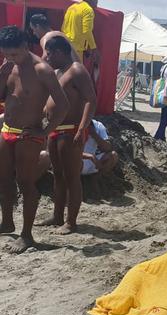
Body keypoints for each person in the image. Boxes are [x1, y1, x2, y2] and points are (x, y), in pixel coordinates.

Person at [0, 26, 69, 253]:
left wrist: (46, 130)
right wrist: (3, 72)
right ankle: (7, 222)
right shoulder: (9, 66)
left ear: (25, 46)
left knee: (25, 182)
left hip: (29, 134)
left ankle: (27, 235)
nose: (11, 58)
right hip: (7, 129)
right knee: (4, 180)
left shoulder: (42, 70)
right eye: (6, 54)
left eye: (14, 54)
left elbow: (63, 103)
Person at [34, 36, 96, 235]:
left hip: (71, 130)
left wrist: (81, 128)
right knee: (58, 176)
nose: (47, 57)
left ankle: (71, 222)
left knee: (71, 177)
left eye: (50, 53)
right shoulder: (58, 72)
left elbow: (90, 100)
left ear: (60, 52)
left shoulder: (76, 70)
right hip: (55, 130)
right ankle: (57, 215)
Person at [61, 0, 99, 65]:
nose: (97, 4)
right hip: (76, 49)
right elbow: (87, 31)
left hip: (64, 45)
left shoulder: (71, 7)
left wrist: (84, 48)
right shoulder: (88, 9)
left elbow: (63, 27)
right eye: (96, 1)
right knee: (77, 72)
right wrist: (94, 48)